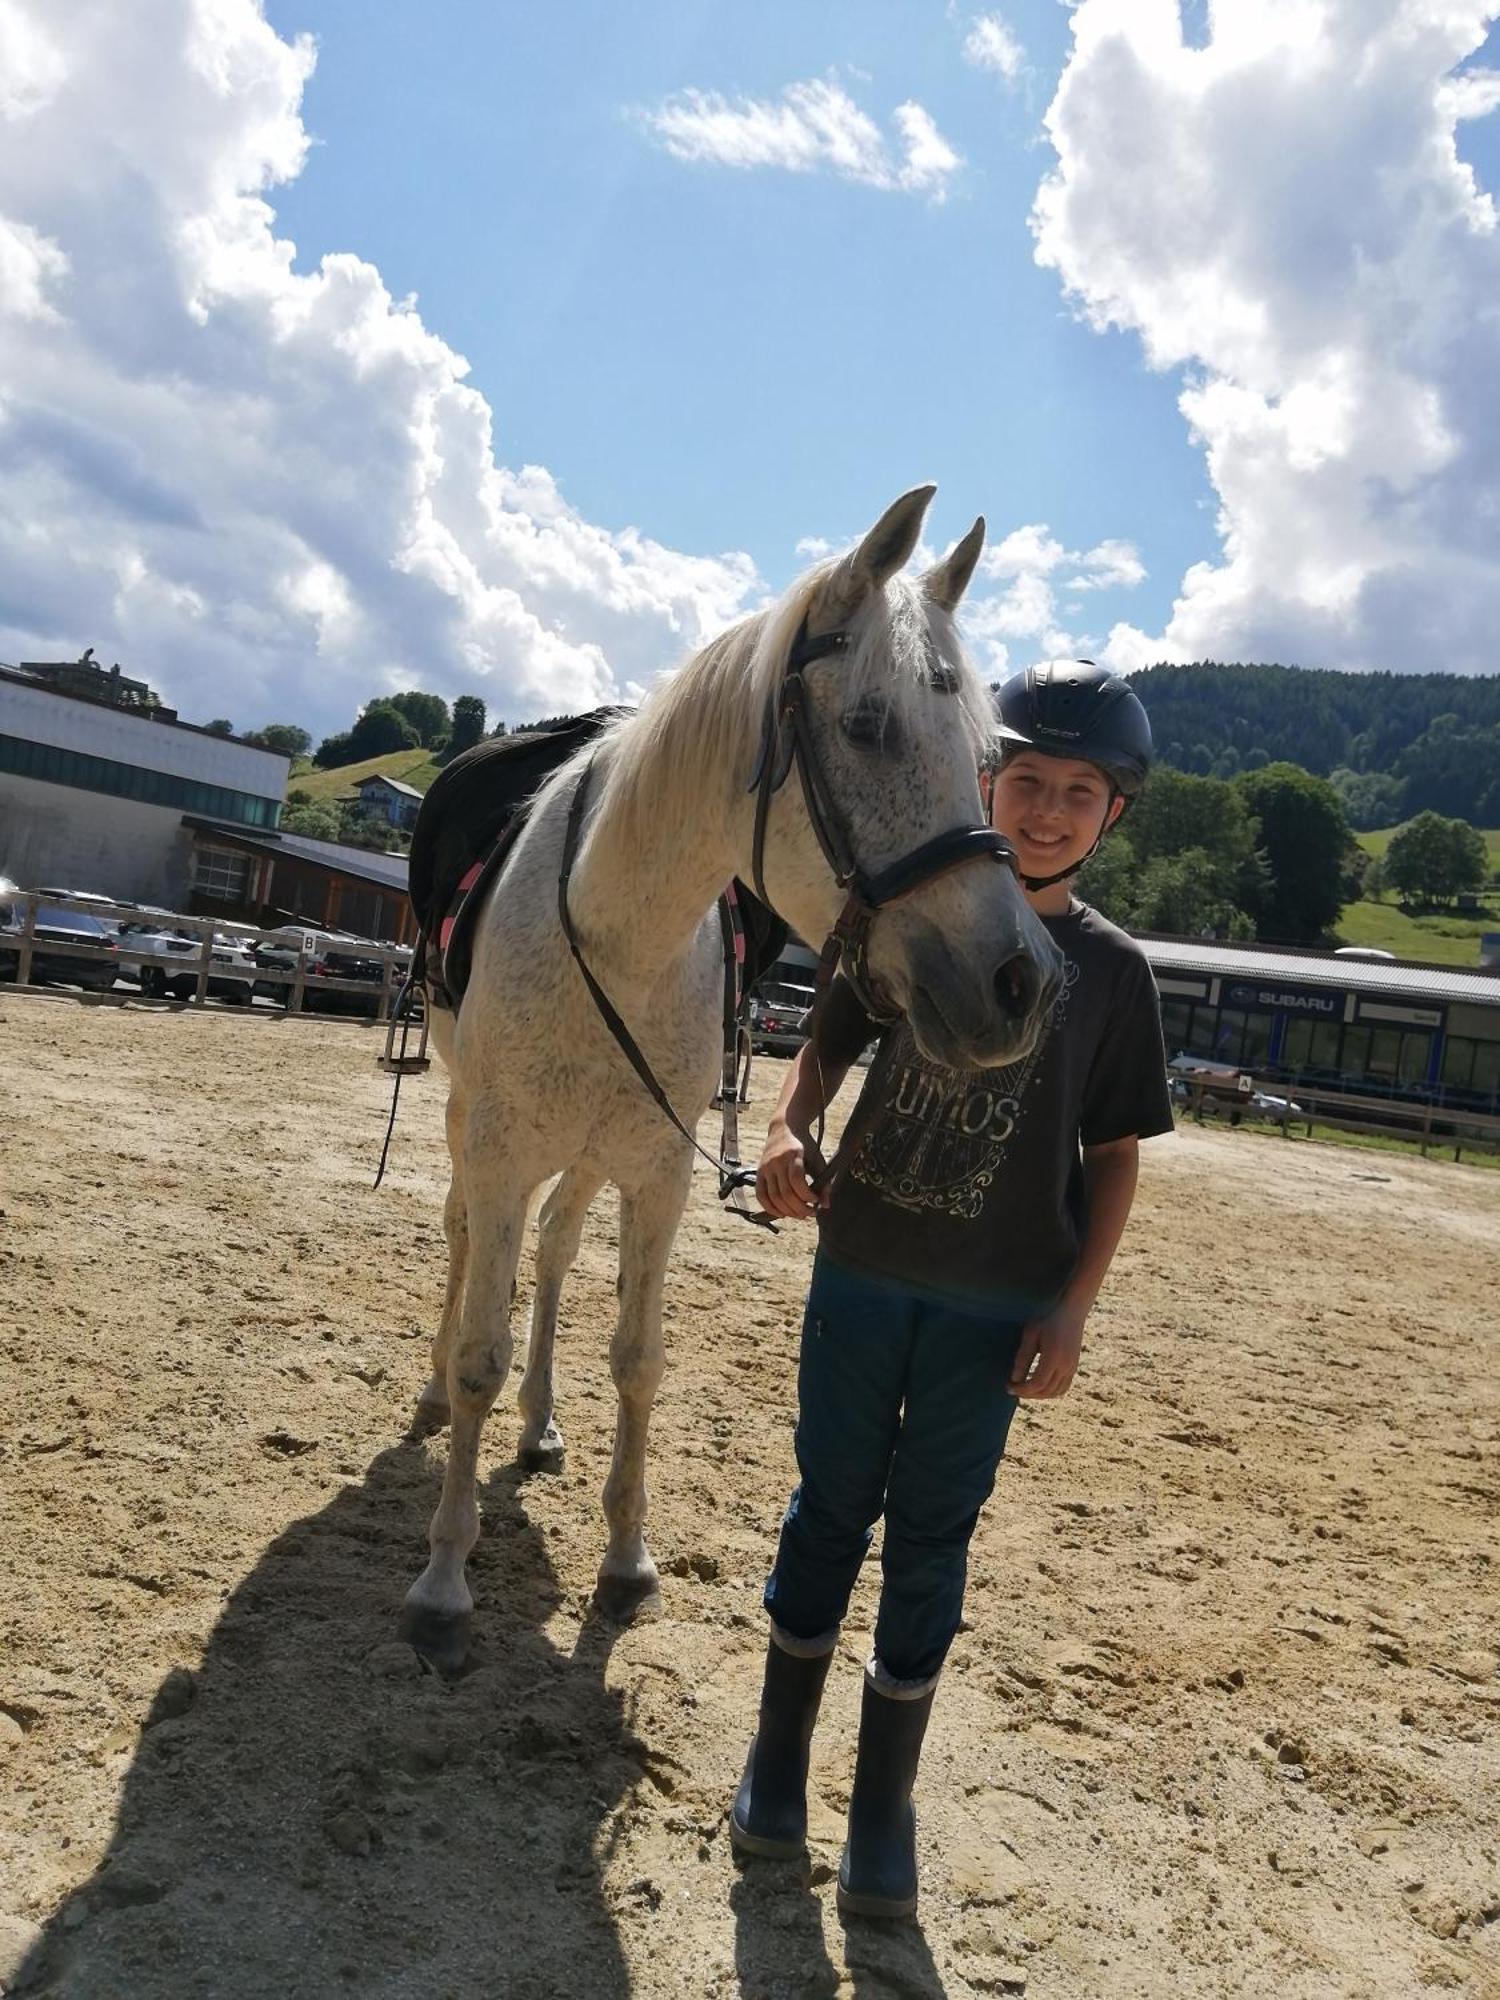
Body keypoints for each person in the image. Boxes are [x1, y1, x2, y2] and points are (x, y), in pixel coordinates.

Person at [730, 660, 1175, 1919]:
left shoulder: (1117, 972)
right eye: (1026, 779)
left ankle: (882, 1811)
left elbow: (1115, 1157)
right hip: (865, 1272)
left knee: (932, 1540)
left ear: (1112, 815)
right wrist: (782, 1130)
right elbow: (820, 1053)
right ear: (985, 779)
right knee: (828, 1509)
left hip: (995, 1310)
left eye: (1076, 792)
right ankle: (775, 1766)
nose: (1044, 809)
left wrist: (1075, 1305)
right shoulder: (900, 919)